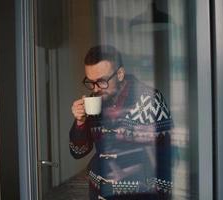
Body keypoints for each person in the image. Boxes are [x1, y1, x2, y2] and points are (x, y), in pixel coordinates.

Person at [69, 45, 173, 200]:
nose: (96, 88)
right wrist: (80, 122)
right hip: (98, 192)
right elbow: (78, 151)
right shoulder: (95, 99)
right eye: (90, 82)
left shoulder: (149, 99)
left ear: (120, 74)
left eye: (102, 81)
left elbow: (166, 159)